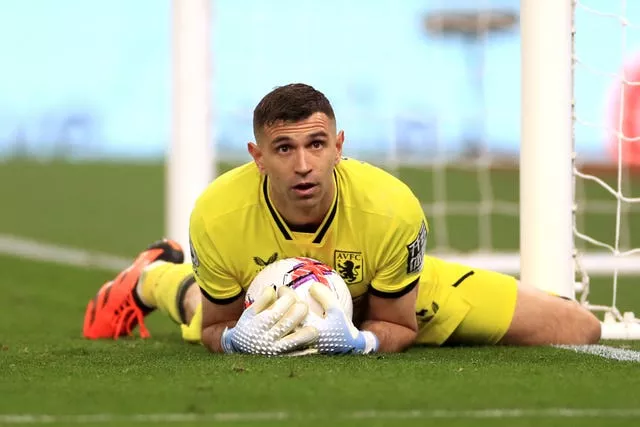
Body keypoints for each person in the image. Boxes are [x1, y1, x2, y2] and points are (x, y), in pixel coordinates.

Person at [83, 83, 601, 354]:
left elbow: (396, 321)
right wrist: (239, 338)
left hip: (388, 295)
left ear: (339, 147)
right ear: (256, 157)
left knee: (578, 329)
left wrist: (361, 341)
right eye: (283, 148)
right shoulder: (217, 214)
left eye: (316, 144)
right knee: (205, 308)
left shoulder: (391, 208)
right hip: (263, 300)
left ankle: (154, 274)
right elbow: (219, 323)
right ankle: (154, 278)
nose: (303, 164)